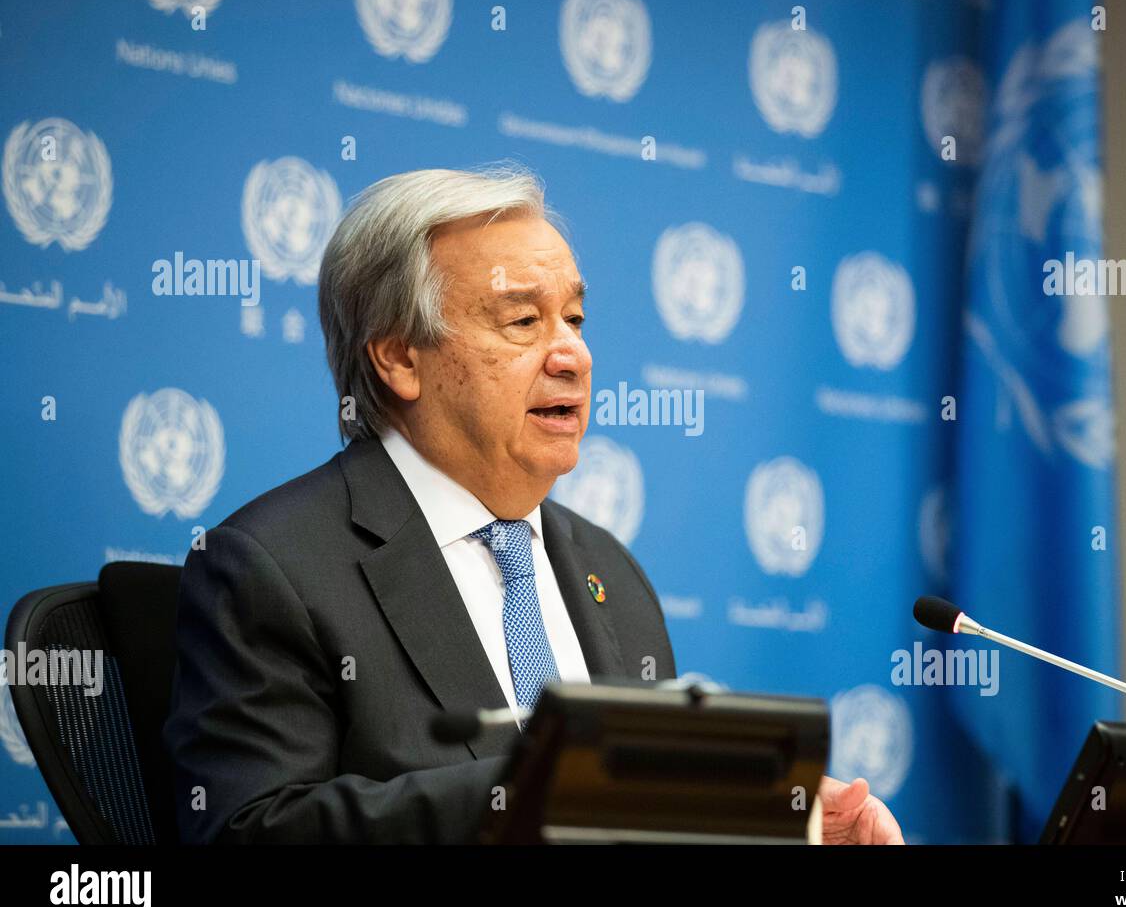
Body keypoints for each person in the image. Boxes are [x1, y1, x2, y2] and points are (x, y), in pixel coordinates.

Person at [163, 165, 903, 845]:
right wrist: (549, 783)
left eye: (575, 320)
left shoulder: (611, 572)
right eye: (522, 322)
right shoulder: (274, 570)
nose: (572, 355)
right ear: (398, 357)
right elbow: (245, 834)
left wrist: (765, 817)